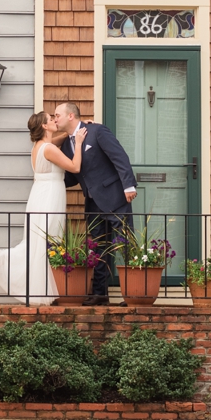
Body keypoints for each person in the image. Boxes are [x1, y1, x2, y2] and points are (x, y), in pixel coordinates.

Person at [0, 111, 85, 302]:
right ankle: (1, 260)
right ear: (44, 126)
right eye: (51, 120)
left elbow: (56, 141)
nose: (55, 121)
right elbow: (75, 167)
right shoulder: (49, 149)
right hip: (49, 196)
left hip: (40, 194)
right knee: (46, 240)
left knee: (39, 242)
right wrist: (79, 142)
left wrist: (71, 132)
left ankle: (42, 289)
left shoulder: (38, 146)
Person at [51, 101, 137, 306]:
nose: (55, 119)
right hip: (92, 202)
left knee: (126, 245)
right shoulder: (65, 144)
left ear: (71, 116)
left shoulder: (97, 131)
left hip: (116, 197)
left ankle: (134, 293)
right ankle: (100, 293)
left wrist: (129, 185)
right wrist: (53, 181)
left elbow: (120, 157)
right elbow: (73, 176)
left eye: (57, 115)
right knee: (99, 248)